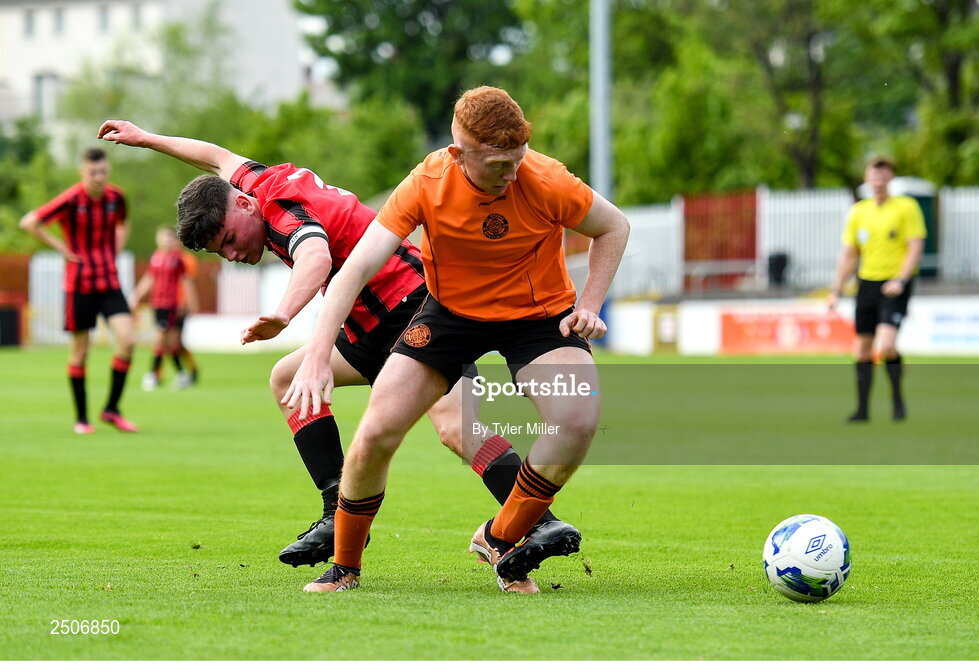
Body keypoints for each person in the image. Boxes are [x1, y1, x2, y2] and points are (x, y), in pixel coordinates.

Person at [97, 120, 572, 581]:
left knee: (454, 425)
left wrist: (283, 315)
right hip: (369, 321)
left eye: (229, 240)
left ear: (243, 206)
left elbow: (316, 255)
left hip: (411, 306)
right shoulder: (254, 182)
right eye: (220, 252)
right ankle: (334, 510)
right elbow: (214, 156)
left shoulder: (281, 212)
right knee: (286, 378)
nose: (234, 255)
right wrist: (146, 138)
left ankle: (533, 519)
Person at [285, 86, 630, 594]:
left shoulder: (545, 177)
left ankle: (501, 538)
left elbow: (614, 226)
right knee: (377, 431)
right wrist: (316, 356)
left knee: (578, 418)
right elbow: (354, 269)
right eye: (496, 164)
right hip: (450, 315)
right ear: (458, 154)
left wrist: (590, 304)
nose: (510, 173)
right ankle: (344, 568)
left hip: (538, 316)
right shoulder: (427, 182)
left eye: (516, 159)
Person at [20, 148, 138, 434]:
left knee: (127, 340)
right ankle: (82, 419)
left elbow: (124, 222)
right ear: (82, 172)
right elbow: (29, 222)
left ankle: (111, 410)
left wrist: (115, 248)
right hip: (79, 284)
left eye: (103, 172)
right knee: (80, 352)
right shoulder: (72, 199)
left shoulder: (116, 197)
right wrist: (62, 248)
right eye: (93, 172)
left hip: (108, 281)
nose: (99, 177)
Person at [827, 156, 926, 422]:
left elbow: (915, 246)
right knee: (862, 349)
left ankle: (897, 399)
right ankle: (862, 410)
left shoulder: (906, 207)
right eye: (874, 176)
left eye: (883, 176)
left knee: (887, 345)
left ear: (890, 178)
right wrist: (836, 289)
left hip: (894, 284)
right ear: (867, 179)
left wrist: (901, 280)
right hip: (866, 284)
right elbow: (849, 254)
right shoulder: (859, 212)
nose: (878, 181)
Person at [132, 226, 200, 390]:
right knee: (171, 342)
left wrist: (190, 303)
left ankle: (153, 375)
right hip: (158, 304)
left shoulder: (178, 259)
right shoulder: (155, 257)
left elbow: (186, 281)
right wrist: (135, 297)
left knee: (161, 338)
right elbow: (149, 278)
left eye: (168, 238)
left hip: (172, 304)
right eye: (162, 237)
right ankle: (183, 373)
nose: (165, 241)